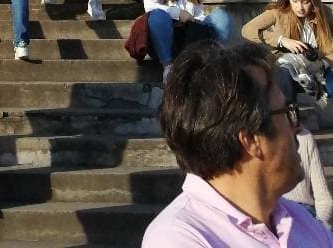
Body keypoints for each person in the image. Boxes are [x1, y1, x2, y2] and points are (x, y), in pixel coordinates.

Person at [142, 41, 333, 246]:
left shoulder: (297, 219)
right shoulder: (178, 239)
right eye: (289, 113)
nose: (298, 127)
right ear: (251, 140)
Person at [242, 0, 333, 105]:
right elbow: (247, 30)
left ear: (313, 1)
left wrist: (322, 63)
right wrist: (281, 40)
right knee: (283, 75)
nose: (300, 7)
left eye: (305, 2)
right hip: (287, 68)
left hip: (316, 70)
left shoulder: (324, 14)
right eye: (295, 1)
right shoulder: (278, 12)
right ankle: (291, 117)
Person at [283, 123, 332, 226]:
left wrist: (319, 228)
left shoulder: (303, 136)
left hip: (307, 215)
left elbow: (324, 200)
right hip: (277, 222)